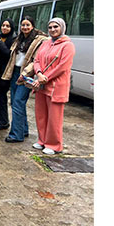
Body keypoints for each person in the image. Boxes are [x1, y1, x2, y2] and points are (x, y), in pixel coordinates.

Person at [29, 18, 76, 155]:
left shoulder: (67, 45)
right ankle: (42, 140)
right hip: (41, 85)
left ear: (62, 27)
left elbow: (63, 66)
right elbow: (36, 60)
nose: (53, 29)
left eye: (56, 27)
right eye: (50, 27)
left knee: (54, 118)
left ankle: (54, 145)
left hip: (56, 86)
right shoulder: (46, 43)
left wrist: (45, 77)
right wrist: (38, 73)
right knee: (41, 114)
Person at [4, 16, 48, 143]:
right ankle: (23, 129)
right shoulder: (19, 39)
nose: (25, 27)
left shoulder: (38, 41)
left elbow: (36, 60)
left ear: (33, 26)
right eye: (23, 25)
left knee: (18, 102)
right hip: (14, 72)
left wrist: (25, 73)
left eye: (27, 25)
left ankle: (16, 135)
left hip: (27, 75)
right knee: (15, 102)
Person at [0, 20, 15, 130]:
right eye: (3, 25)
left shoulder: (13, 39)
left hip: (5, 72)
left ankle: (3, 121)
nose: (5, 28)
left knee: (1, 97)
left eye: (8, 26)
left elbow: (7, 54)